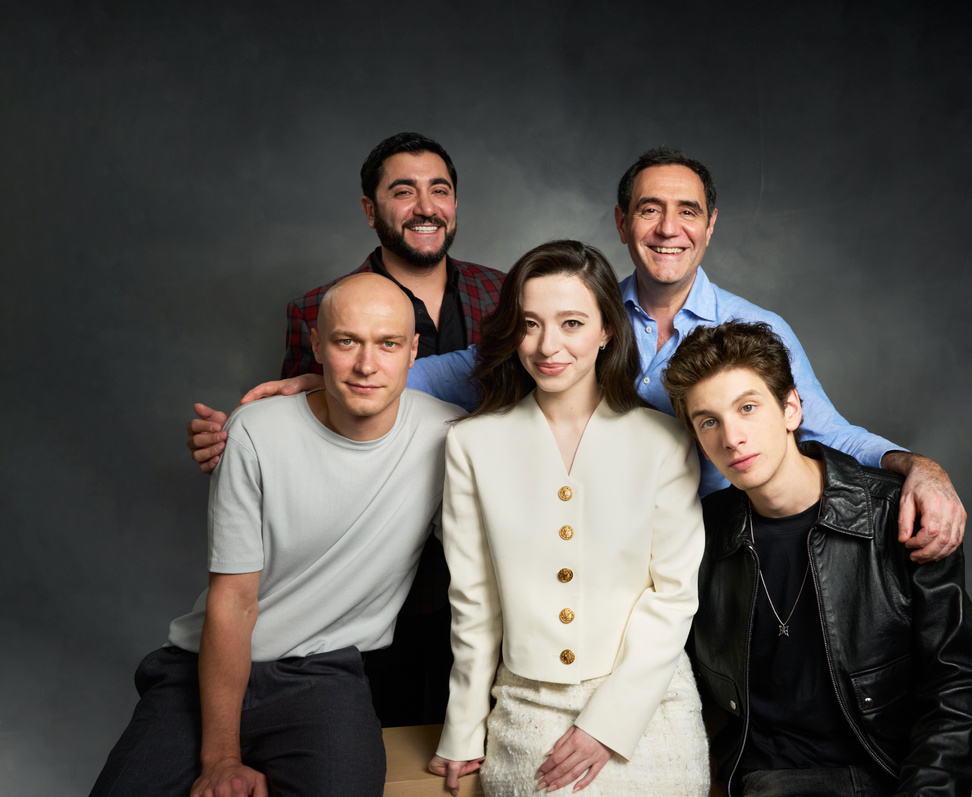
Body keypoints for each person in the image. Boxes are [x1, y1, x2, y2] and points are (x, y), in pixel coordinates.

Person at [203, 147, 966, 564]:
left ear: (710, 227)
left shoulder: (754, 325)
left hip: (718, 558)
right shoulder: (580, 323)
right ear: (623, 222)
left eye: (687, 211)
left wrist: (918, 467)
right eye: (649, 209)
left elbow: (827, 429)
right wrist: (314, 384)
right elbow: (423, 376)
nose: (668, 227)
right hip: (585, 558)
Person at [91, 274, 461, 797]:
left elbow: (493, 573)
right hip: (205, 667)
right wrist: (221, 759)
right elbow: (234, 601)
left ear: (413, 352)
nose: (366, 364)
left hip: (324, 677)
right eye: (346, 341)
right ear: (315, 344)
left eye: (388, 344)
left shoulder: (451, 437)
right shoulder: (254, 432)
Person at [191, 131, 504, 727]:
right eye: (403, 192)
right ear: (370, 210)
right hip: (370, 591)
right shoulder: (317, 309)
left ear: (456, 205)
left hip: (475, 569)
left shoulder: (504, 295)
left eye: (439, 190)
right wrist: (230, 440)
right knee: (369, 753)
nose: (425, 207)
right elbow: (304, 438)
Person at [661, 321, 972, 797]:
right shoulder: (700, 535)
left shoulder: (894, 518)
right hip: (760, 782)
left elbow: (961, 688)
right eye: (709, 421)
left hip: (888, 778)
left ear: (791, 409)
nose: (732, 437)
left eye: (748, 408)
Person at [427, 240, 709, 796]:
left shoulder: (666, 440)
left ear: (607, 329)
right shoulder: (470, 444)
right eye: (529, 324)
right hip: (527, 704)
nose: (547, 346)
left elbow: (674, 596)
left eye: (572, 323)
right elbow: (474, 602)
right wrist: (462, 729)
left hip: (649, 703)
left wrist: (609, 724)